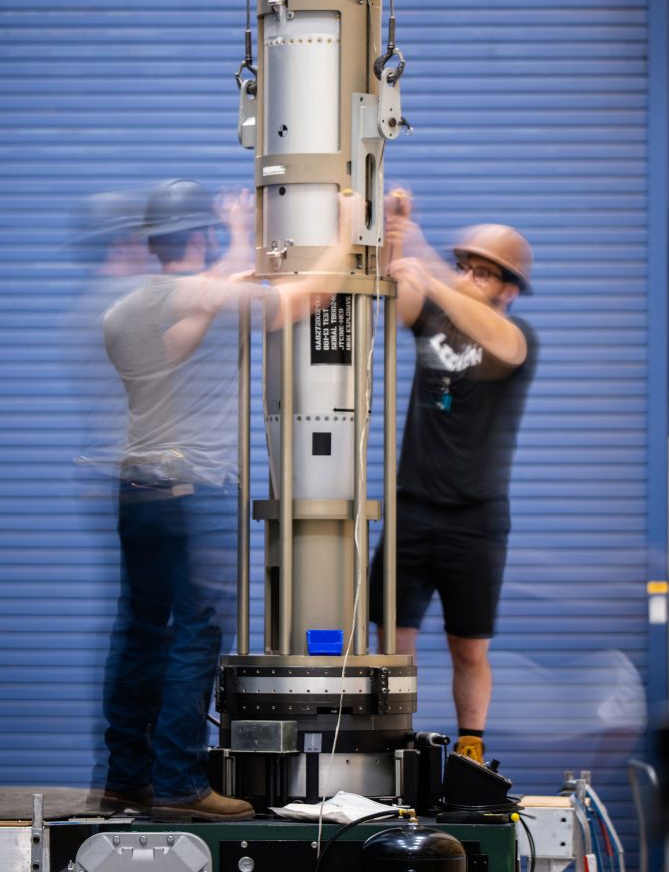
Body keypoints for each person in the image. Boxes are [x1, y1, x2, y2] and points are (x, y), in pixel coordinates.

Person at [100, 178, 356, 819]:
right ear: (202, 235)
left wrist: (238, 240)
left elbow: (208, 296)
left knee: (137, 635)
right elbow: (313, 292)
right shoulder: (209, 297)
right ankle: (183, 786)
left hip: (136, 489)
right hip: (196, 494)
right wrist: (349, 226)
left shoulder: (126, 310)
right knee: (194, 638)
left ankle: (127, 778)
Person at [370, 190, 538, 765]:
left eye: (483, 273)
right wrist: (398, 232)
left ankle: (470, 749)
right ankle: (392, 745)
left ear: (507, 290)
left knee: (469, 646)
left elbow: (497, 341)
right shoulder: (434, 319)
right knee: (393, 642)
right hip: (413, 504)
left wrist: (430, 265)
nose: (468, 278)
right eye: (466, 265)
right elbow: (401, 296)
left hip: (476, 517)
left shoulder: (516, 339)